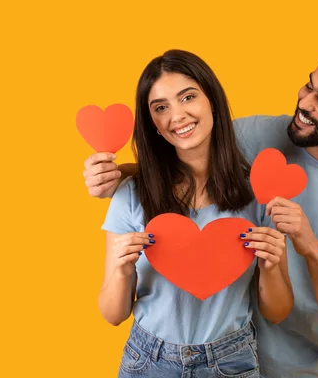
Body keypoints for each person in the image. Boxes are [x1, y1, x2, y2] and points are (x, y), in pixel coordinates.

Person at [85, 44, 318, 378]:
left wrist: (306, 243)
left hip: (288, 364)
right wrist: (115, 178)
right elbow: (180, 153)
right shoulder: (254, 135)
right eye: (310, 85)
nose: (305, 103)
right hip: (159, 355)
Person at [98, 49, 293, 378]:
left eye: (187, 97)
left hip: (232, 360)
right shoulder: (131, 194)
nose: (177, 116)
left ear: (212, 99)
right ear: (154, 125)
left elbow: (277, 311)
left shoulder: (260, 195)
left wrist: (272, 266)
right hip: (147, 361)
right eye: (161, 108)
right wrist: (120, 270)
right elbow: (113, 314)